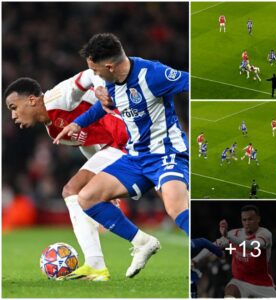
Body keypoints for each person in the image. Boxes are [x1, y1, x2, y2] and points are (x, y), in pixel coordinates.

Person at [54, 33, 189, 276]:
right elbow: (102, 108)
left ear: (109, 65)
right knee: (87, 197)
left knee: (175, 207)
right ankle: (142, 242)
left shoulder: (154, 75)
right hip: (135, 158)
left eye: (95, 71)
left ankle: (214, 250)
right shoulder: (111, 83)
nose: (95, 76)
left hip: (166, 155)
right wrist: (77, 124)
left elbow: (193, 82)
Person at [4, 74, 160, 281]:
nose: (13, 116)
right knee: (75, 191)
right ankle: (101, 262)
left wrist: (100, 90)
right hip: (118, 147)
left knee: (72, 190)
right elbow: (91, 147)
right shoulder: (53, 130)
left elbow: (89, 74)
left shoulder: (57, 98)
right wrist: (104, 179)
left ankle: (107, 258)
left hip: (133, 136)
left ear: (32, 100)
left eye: (13, 107)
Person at [218, 205, 276, 298]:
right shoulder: (234, 233)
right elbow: (212, 245)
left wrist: (228, 236)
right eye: (244, 220)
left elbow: (251, 246)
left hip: (263, 286)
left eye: (250, 219)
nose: (247, 223)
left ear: (258, 219)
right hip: (240, 282)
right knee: (230, 290)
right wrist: (195, 260)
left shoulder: (265, 234)